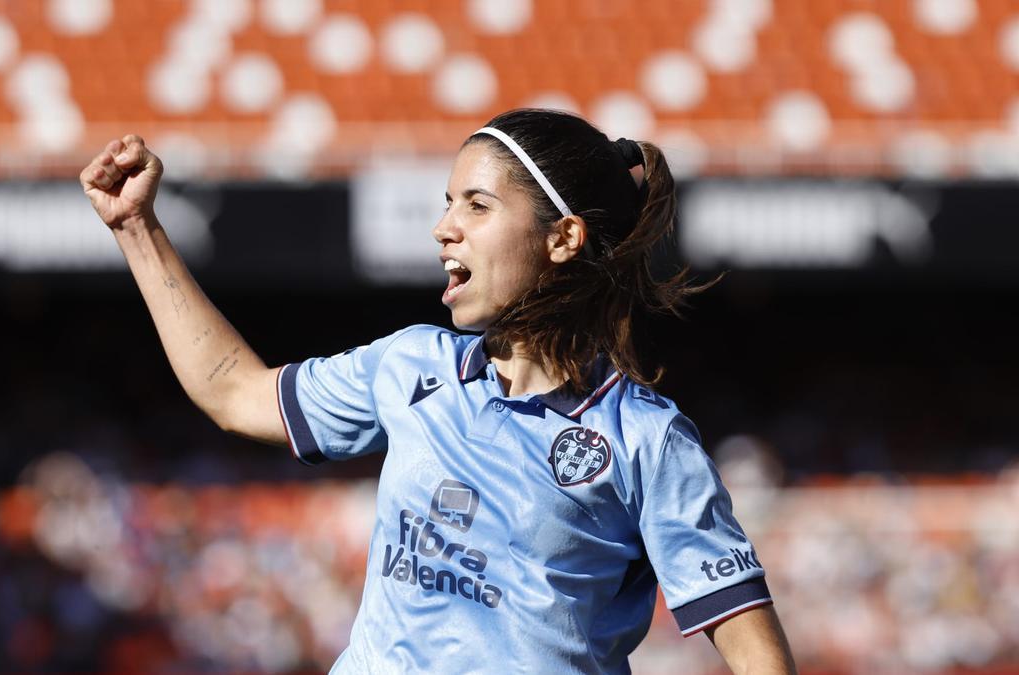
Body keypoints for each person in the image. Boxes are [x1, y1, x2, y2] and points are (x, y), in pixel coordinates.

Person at [80, 108, 796, 674]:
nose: (443, 227)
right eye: (448, 201)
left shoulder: (646, 440)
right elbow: (236, 393)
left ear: (563, 236)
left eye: (476, 206)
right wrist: (136, 227)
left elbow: (755, 650)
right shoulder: (410, 366)